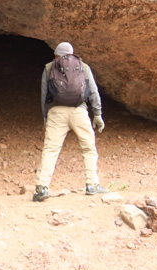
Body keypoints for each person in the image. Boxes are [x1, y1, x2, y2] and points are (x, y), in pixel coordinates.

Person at [33, 42, 107, 202]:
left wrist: (46, 117)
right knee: (88, 148)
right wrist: (98, 114)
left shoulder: (48, 68)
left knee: (51, 150)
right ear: (73, 54)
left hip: (56, 112)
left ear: (56, 55)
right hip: (78, 111)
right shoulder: (83, 67)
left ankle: (41, 187)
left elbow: (44, 94)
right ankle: (92, 184)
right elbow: (93, 92)